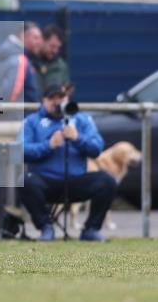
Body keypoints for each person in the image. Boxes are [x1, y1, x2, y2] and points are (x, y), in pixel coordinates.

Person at [19, 84, 117, 242]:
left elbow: (97, 147)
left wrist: (78, 138)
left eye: (61, 98)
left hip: (76, 181)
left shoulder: (82, 120)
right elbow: (21, 150)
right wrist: (48, 145)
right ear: (44, 100)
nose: (57, 102)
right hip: (45, 182)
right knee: (24, 181)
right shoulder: (32, 121)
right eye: (52, 98)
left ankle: (91, 230)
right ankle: (46, 227)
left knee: (107, 181)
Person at [0, 22, 42, 107]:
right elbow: (12, 90)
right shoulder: (20, 59)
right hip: (15, 117)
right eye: (36, 38)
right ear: (23, 36)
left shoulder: (11, 55)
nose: (40, 42)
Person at [35, 25, 71, 97]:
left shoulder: (61, 66)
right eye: (52, 46)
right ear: (42, 41)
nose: (55, 51)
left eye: (58, 47)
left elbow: (66, 89)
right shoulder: (29, 61)